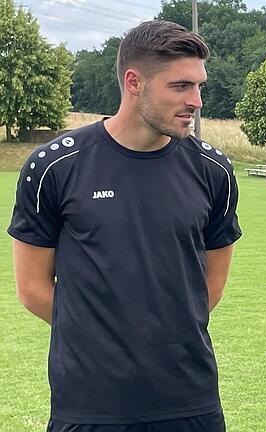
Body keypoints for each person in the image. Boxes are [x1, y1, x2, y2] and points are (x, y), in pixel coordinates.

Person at [8, 21, 241, 432]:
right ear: (135, 82)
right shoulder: (53, 167)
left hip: (190, 402)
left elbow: (212, 284)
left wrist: (162, 337)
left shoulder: (214, 170)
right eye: (181, 86)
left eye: (199, 86)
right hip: (89, 405)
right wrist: (104, 338)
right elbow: (32, 290)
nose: (197, 101)